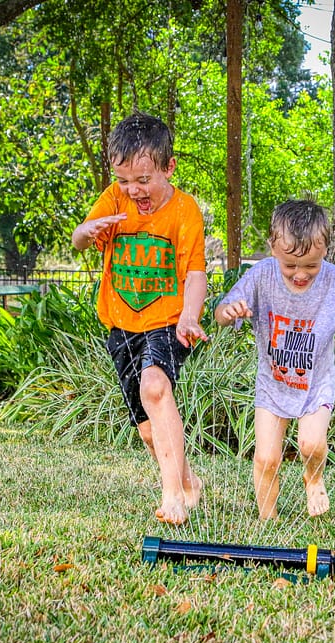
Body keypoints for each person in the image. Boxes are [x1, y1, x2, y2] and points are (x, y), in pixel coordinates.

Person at [72, 112, 208, 526]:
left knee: (155, 387)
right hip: (121, 325)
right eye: (124, 180)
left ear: (169, 167)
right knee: (148, 428)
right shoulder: (113, 199)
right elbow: (79, 240)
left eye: (143, 180)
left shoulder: (185, 212)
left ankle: (172, 498)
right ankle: (187, 482)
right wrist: (88, 230)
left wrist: (189, 316)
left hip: (167, 322)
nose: (133, 190)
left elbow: (196, 273)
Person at [214, 200, 335, 520]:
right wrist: (230, 311)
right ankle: (269, 520)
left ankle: (314, 478)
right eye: (291, 266)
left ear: (325, 252)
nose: (300, 274)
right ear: (273, 249)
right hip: (272, 385)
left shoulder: (334, 281)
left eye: (311, 266)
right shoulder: (261, 275)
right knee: (266, 459)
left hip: (315, 384)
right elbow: (222, 312)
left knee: (311, 444)